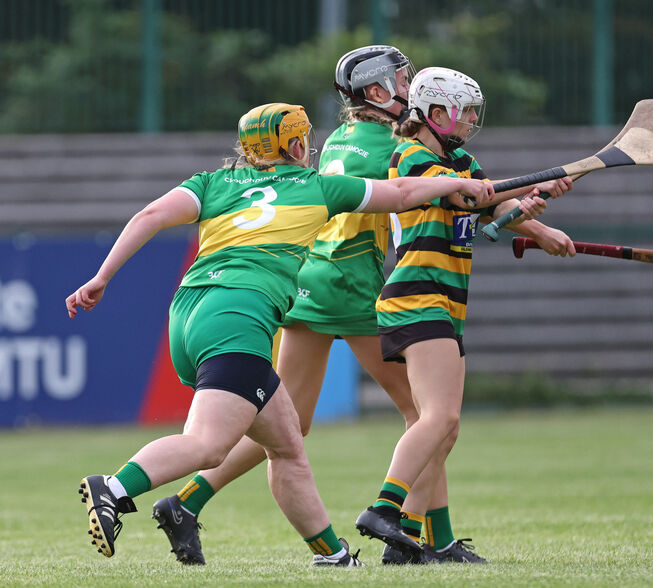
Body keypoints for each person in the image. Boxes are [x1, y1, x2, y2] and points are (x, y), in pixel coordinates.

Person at [67, 101, 496, 566]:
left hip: (187, 315)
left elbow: (151, 214)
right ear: (294, 145)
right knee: (209, 446)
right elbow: (400, 193)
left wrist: (101, 277)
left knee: (287, 441)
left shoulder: (211, 181)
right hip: (240, 316)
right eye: (304, 139)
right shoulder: (317, 187)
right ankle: (112, 488)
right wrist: (459, 182)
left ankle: (333, 556)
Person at [354, 67, 576, 559]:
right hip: (417, 296)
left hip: (447, 302)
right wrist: (524, 189)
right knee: (437, 417)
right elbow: (467, 193)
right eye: (464, 110)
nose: (472, 118)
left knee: (445, 427)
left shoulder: (460, 159)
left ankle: (405, 541)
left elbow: (492, 209)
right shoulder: (411, 157)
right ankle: (384, 511)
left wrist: (536, 211)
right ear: (434, 113)